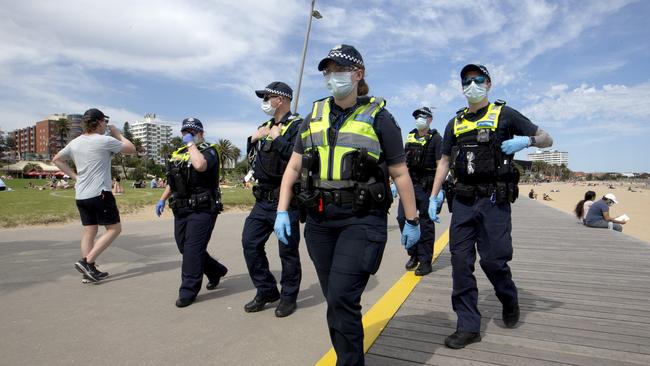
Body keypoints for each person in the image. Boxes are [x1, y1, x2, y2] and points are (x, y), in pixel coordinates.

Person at [273, 44, 421, 366]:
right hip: (320, 222)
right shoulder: (313, 116)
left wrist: (412, 221)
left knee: (341, 297)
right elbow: (294, 169)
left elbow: (399, 172)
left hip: (361, 220)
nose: (332, 76)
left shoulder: (380, 118)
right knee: (336, 301)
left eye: (338, 69)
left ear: (358, 74)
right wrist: (282, 210)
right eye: (328, 71)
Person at [427, 64, 553, 349]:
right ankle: (468, 324)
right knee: (460, 264)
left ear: (489, 84)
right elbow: (444, 162)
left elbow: (548, 138)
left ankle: (509, 297)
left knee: (493, 261)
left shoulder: (505, 115)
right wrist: (433, 196)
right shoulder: (455, 123)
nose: (472, 85)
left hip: (494, 202)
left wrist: (527, 140)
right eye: (467, 81)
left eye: (478, 80)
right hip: (462, 201)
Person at [241, 82, 303, 317]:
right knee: (250, 243)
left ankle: (288, 297)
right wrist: (252, 139)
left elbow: (298, 160)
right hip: (262, 200)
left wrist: (277, 139)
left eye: (268, 97)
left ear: (282, 100)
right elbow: (253, 160)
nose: (265, 101)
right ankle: (266, 290)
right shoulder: (264, 126)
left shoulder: (298, 126)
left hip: (286, 200)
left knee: (287, 252)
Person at [52, 108, 136, 282]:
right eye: (104, 122)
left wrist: (75, 177)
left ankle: (87, 272)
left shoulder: (75, 143)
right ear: (98, 122)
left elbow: (57, 159)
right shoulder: (104, 140)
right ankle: (87, 263)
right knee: (114, 229)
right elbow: (131, 149)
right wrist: (117, 134)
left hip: (81, 195)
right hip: (100, 193)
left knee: (90, 231)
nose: (106, 125)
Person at [155, 118, 228, 308]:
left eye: (192, 132)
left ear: (201, 133)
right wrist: (162, 199)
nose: (187, 134)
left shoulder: (210, 150)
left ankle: (188, 291)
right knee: (183, 247)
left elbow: (200, 166)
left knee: (192, 250)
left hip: (203, 209)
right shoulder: (178, 154)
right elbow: (173, 180)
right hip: (181, 209)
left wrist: (191, 144)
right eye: (185, 132)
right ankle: (215, 270)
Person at [396, 106, 443, 276]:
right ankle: (413, 254)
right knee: (402, 218)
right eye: (417, 116)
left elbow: (441, 165)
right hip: (409, 185)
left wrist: (438, 192)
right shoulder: (410, 136)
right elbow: (402, 161)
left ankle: (425, 261)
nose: (419, 119)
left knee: (426, 224)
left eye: (423, 116)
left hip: (426, 187)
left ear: (430, 119)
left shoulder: (437, 139)